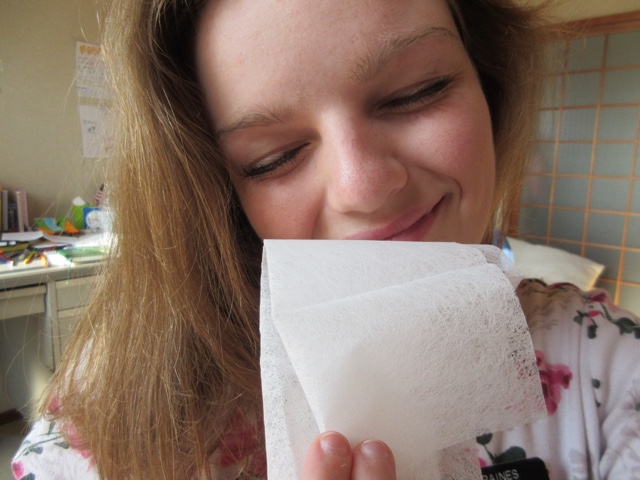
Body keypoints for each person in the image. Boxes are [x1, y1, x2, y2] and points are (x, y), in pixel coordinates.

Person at [11, 0, 640, 479]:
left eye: (416, 93)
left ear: (489, 87)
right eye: (275, 158)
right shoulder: (125, 407)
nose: (363, 186)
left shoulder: (607, 366)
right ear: (218, 192)